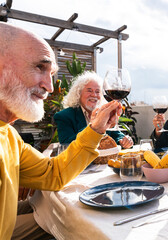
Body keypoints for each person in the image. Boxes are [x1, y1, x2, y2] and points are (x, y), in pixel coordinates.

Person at [0, 22, 122, 239]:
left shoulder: (9, 136)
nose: (50, 86)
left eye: (52, 73)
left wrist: (95, 129)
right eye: (40, 67)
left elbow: (53, 173)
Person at [54, 71, 133, 148]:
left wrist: (123, 140)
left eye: (97, 91)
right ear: (78, 93)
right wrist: (93, 126)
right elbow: (66, 144)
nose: (94, 95)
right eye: (89, 90)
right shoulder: (64, 116)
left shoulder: (104, 113)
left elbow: (115, 134)